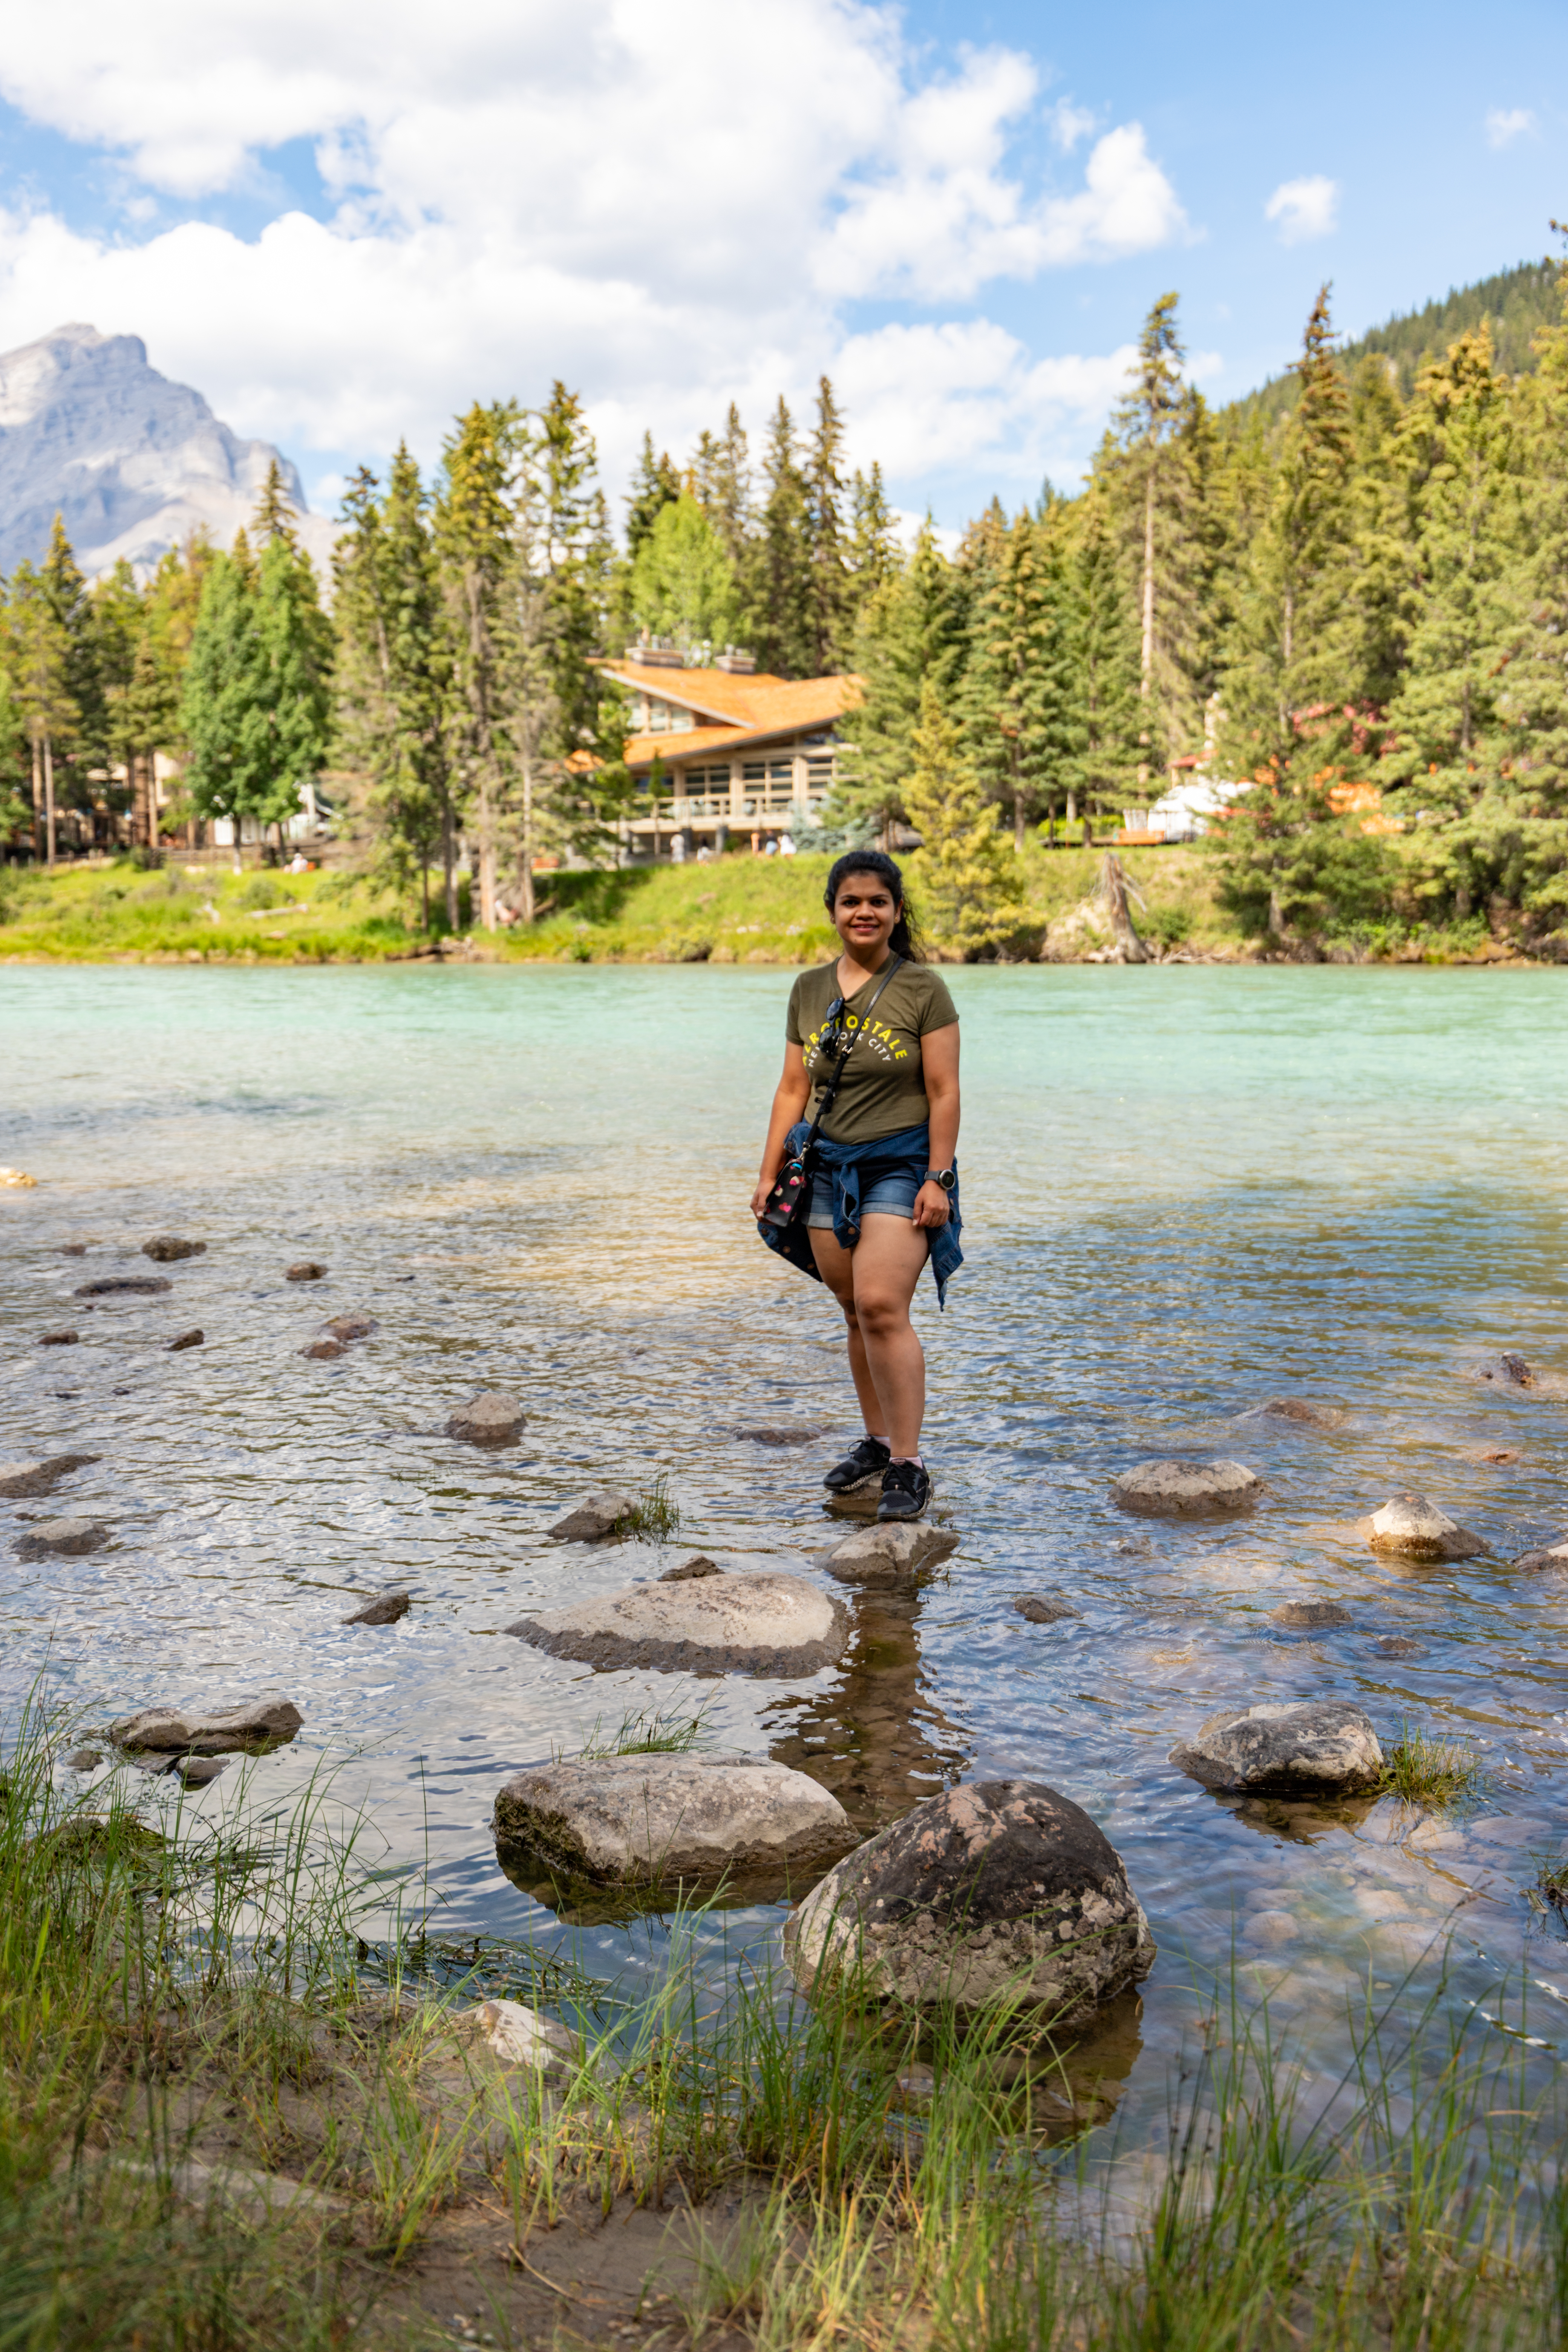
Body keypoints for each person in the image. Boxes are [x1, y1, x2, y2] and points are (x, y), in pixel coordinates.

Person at [751, 850, 961, 1522]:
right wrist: (766, 1172)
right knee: (849, 1307)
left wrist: (939, 1175)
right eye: (851, 902)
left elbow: (944, 1091)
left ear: (897, 911)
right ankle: (875, 1443)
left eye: (877, 901)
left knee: (880, 1304)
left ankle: (908, 1462)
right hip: (822, 1165)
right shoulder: (809, 989)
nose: (864, 912)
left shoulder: (923, 989)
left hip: (901, 1164)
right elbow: (793, 1087)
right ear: (833, 912)